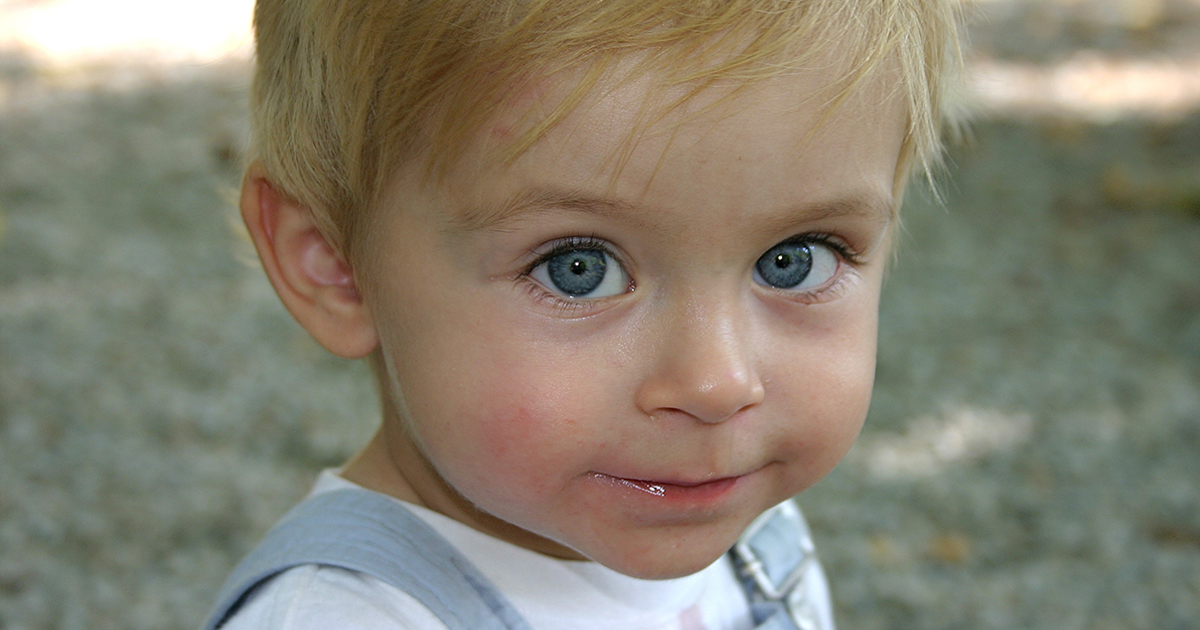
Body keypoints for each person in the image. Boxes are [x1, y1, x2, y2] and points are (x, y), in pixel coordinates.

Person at [204, 0, 961, 628]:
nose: (718, 384)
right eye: (579, 270)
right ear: (337, 267)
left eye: (795, 259)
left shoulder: (754, 535)